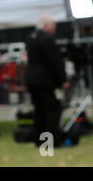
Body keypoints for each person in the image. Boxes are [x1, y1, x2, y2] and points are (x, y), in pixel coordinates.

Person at [25, 14, 68, 147]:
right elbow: (55, 61)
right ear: (46, 25)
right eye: (52, 25)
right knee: (52, 110)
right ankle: (53, 140)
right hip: (44, 80)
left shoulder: (30, 38)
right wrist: (62, 80)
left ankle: (38, 139)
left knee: (39, 110)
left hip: (31, 79)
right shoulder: (47, 39)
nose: (54, 28)